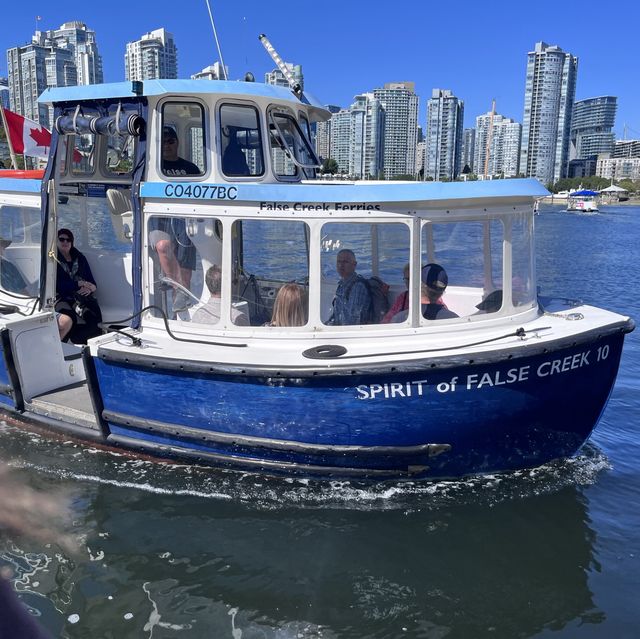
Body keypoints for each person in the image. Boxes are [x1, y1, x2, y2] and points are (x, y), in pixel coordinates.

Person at [55, 228, 102, 343]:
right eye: (62, 239)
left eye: (68, 240)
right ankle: (62, 345)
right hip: (61, 297)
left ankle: (78, 342)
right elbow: (57, 286)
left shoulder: (79, 258)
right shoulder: (53, 260)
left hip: (78, 298)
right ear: (56, 241)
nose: (65, 242)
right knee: (69, 318)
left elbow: (91, 281)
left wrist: (91, 288)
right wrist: (78, 284)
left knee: (94, 319)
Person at [330, 249, 372, 325]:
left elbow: (353, 321)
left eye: (345, 262)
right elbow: (335, 316)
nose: (341, 265)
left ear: (354, 264)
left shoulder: (358, 287)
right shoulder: (341, 285)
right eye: (339, 262)